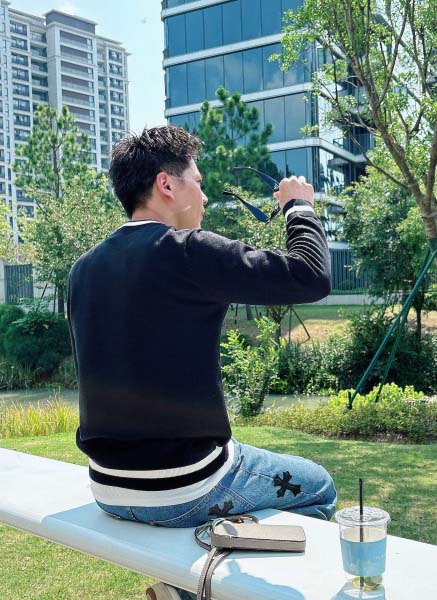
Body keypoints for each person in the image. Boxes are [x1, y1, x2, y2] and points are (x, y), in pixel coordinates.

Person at [67, 126, 337, 600]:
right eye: (198, 181)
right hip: (184, 487)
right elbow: (310, 276)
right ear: (166, 185)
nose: (205, 196)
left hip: (107, 485)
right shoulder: (189, 251)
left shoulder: (82, 269)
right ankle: (192, 592)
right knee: (320, 487)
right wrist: (299, 206)